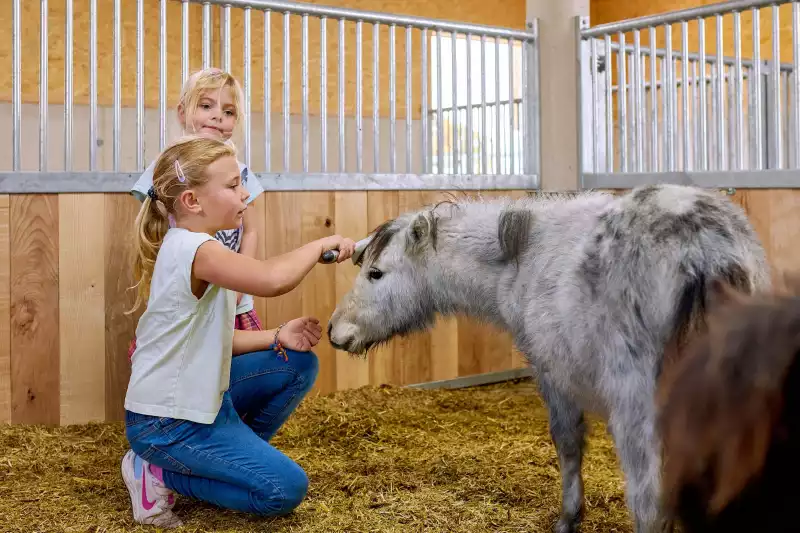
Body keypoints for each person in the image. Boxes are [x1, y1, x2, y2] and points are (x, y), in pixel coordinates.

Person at [120, 135, 355, 528]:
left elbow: (210, 340)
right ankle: (159, 473)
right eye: (232, 185)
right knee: (283, 490)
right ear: (192, 202)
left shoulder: (202, 246)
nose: (245, 194)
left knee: (295, 363)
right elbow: (271, 279)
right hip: (167, 422)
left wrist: (277, 335)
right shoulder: (196, 250)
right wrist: (320, 245)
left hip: (202, 400)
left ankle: (226, 463)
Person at [128, 67, 265, 363]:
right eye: (206, 106)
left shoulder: (241, 172)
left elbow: (251, 231)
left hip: (233, 299)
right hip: (185, 296)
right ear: (182, 112)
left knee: (235, 371)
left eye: (228, 112)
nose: (218, 116)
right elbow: (153, 229)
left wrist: (242, 283)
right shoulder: (165, 168)